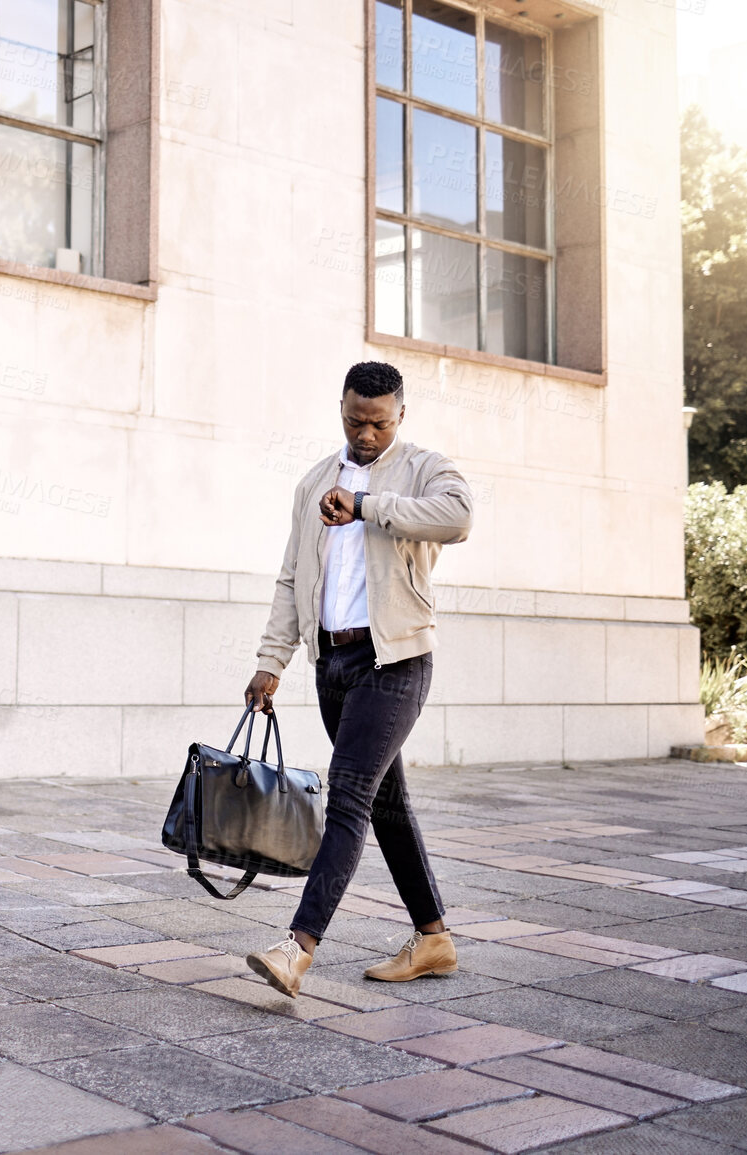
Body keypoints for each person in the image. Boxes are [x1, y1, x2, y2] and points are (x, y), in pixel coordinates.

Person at [241, 361, 473, 998]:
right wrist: (271, 661)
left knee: (346, 796)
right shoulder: (315, 481)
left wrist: (369, 505)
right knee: (386, 803)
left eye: (379, 422)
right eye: (354, 420)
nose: (365, 434)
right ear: (339, 409)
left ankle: (297, 948)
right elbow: (292, 578)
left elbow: (457, 517)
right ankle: (434, 940)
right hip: (333, 665)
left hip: (394, 662)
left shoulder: (424, 468)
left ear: (400, 415)